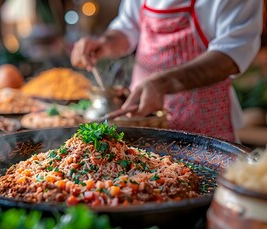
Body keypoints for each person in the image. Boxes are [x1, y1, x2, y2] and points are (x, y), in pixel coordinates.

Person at [70, 0, 263, 142]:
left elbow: (232, 54)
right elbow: (128, 26)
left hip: (205, 127)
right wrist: (105, 43)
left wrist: (163, 83)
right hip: (142, 122)